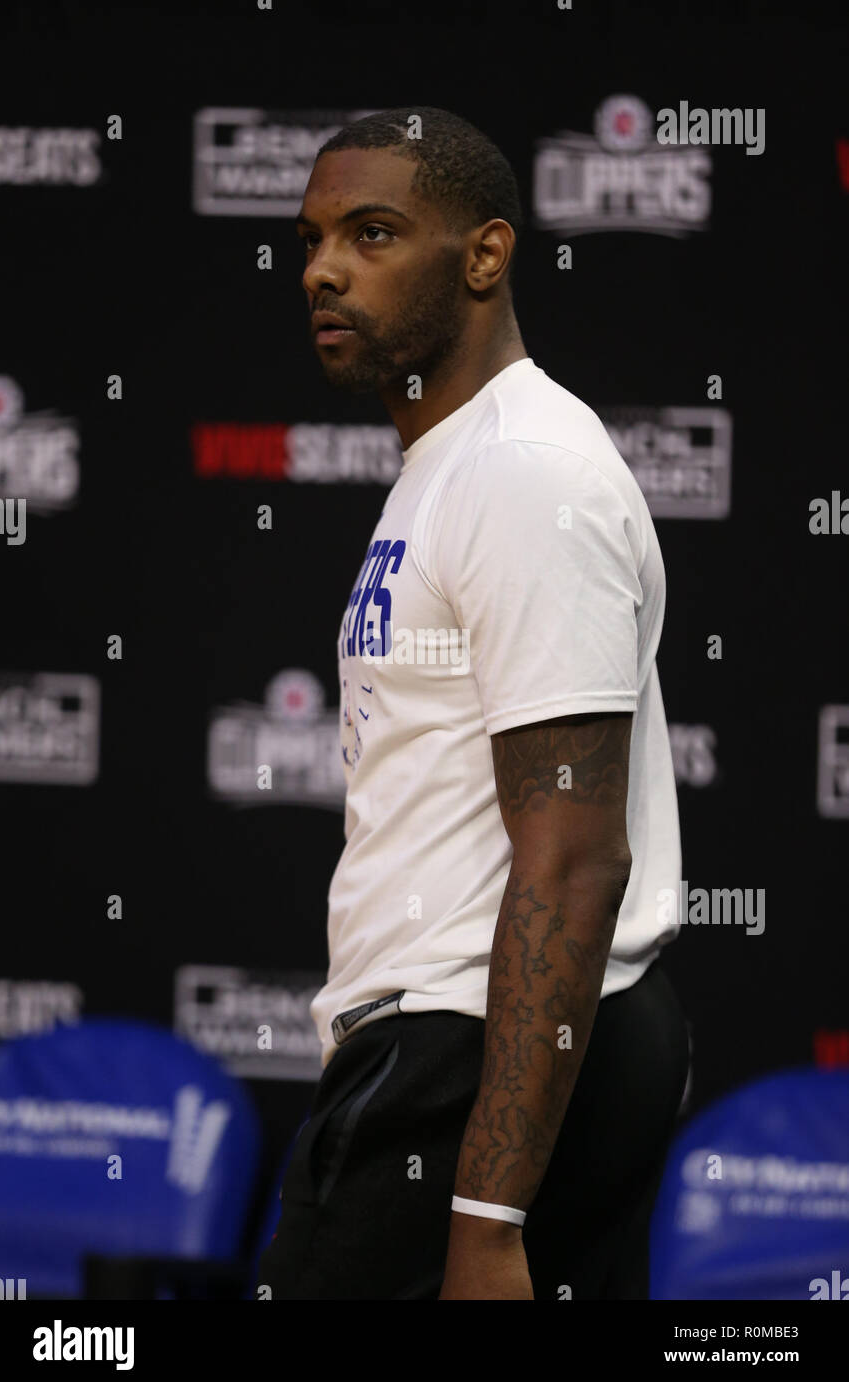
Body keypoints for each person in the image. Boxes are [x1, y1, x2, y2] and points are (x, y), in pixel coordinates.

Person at [257, 106, 690, 1301]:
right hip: (467, 1046)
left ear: (485, 254)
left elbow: (570, 857)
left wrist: (485, 1215)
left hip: (467, 1058)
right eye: (308, 240)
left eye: (373, 231)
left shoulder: (521, 468)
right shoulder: (449, 464)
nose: (324, 268)